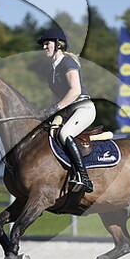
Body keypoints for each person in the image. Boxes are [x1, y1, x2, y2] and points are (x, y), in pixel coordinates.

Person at [37, 28, 96, 193]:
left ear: (58, 44)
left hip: (83, 108)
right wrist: (44, 114)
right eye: (43, 44)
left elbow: (75, 91)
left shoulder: (68, 63)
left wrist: (55, 108)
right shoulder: (51, 73)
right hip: (69, 113)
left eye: (47, 43)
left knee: (64, 134)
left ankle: (84, 177)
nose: (44, 47)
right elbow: (55, 102)